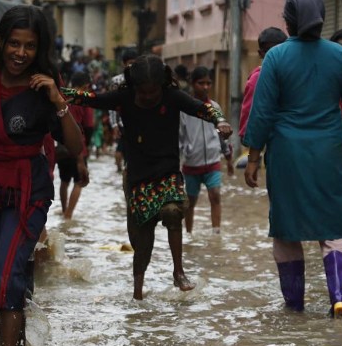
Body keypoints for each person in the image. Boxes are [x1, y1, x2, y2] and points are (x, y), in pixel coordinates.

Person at [0, 6, 86, 346]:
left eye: (29, 46)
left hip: (28, 193)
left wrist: (59, 101)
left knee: (8, 276)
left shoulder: (43, 88)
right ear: (0, 41)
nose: (20, 53)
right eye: (14, 44)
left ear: (39, 48)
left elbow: (75, 147)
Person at [242, 0, 342, 318]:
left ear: (289, 21)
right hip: (330, 151)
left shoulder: (275, 57)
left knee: (287, 229)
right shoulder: (340, 57)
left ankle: (295, 306)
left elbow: (262, 112)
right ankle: (339, 297)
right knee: (334, 227)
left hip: (287, 153)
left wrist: (254, 157)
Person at [64, 55, 233, 299]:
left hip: (168, 174)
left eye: (153, 92)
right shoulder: (123, 98)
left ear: (162, 86)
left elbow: (202, 108)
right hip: (138, 179)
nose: (147, 97)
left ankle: (178, 272)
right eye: (142, 92)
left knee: (174, 212)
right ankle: (138, 295)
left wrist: (220, 121)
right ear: (133, 87)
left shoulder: (172, 97)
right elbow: (90, 99)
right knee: (142, 243)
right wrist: (55, 90)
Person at [180, 66, 233, 235]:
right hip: (191, 163)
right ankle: (188, 235)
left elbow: (222, 133)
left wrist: (229, 158)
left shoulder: (215, 107)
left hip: (212, 161)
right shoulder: (184, 109)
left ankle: (216, 234)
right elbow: (179, 136)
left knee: (215, 195)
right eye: (201, 83)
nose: (205, 87)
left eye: (208, 83)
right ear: (192, 83)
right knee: (190, 202)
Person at [55, 71, 94, 219]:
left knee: (64, 181)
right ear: (85, 86)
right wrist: (87, 147)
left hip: (63, 147)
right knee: (79, 182)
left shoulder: (63, 97)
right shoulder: (84, 100)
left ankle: (64, 209)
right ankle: (69, 215)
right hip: (79, 148)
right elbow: (89, 127)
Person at [239, 27, 288, 141]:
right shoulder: (256, 79)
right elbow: (248, 114)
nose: (274, 56)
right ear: (260, 53)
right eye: (269, 51)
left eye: (278, 51)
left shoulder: (291, 75)